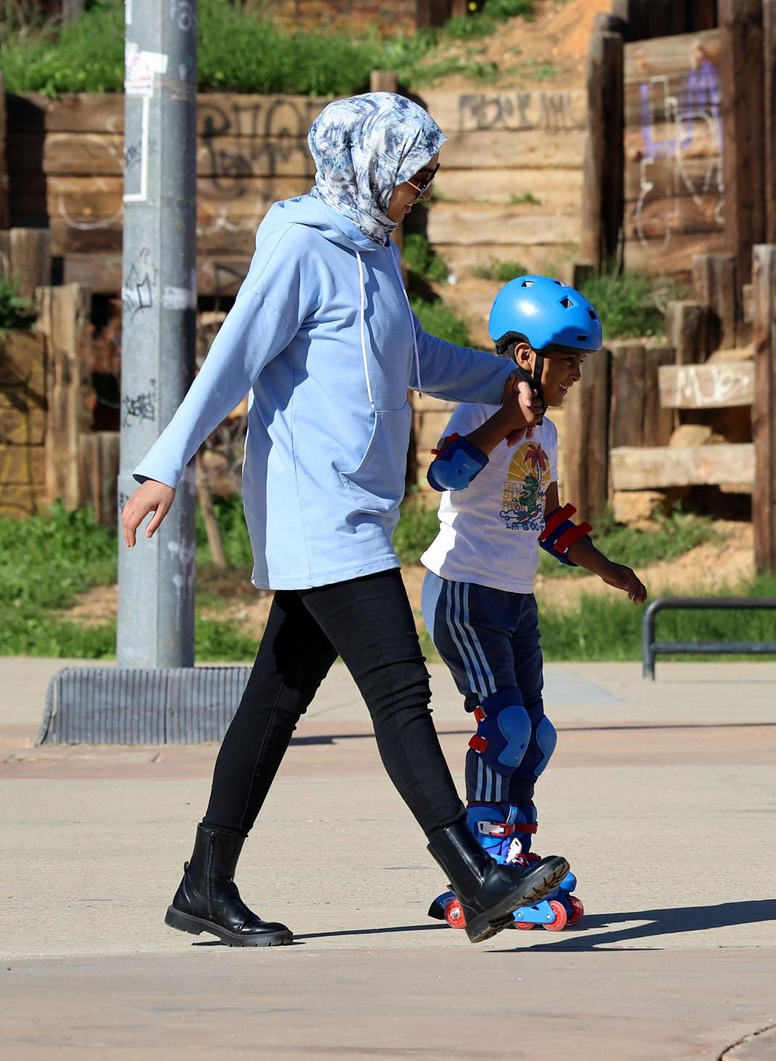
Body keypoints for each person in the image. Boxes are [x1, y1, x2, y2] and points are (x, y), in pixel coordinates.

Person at [119, 94, 569, 947]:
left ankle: (204, 882)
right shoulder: (300, 246)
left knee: (275, 700)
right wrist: (161, 464)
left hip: (355, 509)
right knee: (400, 688)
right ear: (368, 165)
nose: (420, 194)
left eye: (427, 179)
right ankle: (476, 878)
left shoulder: (374, 247)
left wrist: (496, 382)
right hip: (315, 512)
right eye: (414, 178)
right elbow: (232, 359)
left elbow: (415, 357)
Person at [415, 275, 647, 932]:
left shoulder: (547, 438)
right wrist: (502, 423)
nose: (575, 372)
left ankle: (513, 849)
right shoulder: (478, 410)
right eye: (567, 358)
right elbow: (445, 473)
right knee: (506, 725)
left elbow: (547, 523)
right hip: (460, 591)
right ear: (525, 358)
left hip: (515, 599)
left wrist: (606, 568)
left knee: (536, 735)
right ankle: (483, 857)